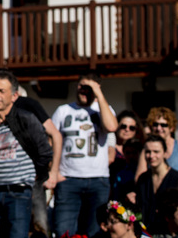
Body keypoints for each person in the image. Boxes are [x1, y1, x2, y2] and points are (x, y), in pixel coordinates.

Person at [0, 70, 52, 238]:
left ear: (14, 95)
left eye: (2, 91)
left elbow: (45, 153)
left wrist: (34, 179)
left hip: (19, 193)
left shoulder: (27, 120)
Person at [51, 72, 118, 238]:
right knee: (63, 231)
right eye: (80, 85)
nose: (82, 90)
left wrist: (98, 94)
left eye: (87, 87)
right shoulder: (63, 110)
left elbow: (111, 127)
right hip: (68, 180)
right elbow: (50, 143)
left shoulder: (105, 110)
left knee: (96, 231)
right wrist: (54, 172)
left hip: (98, 179)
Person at [13, 85, 62, 238]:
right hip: (10, 177)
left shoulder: (28, 105)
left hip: (33, 175)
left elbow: (54, 135)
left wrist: (52, 171)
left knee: (39, 222)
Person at [134, 135, 178, 233]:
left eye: (156, 152)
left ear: (165, 153)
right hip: (146, 232)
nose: (151, 156)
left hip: (168, 232)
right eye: (148, 152)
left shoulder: (175, 178)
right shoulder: (143, 179)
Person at [137, 108, 178, 185]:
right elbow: (139, 177)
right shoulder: (147, 148)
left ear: (171, 128)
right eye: (155, 124)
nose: (159, 128)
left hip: (176, 193)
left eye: (163, 125)